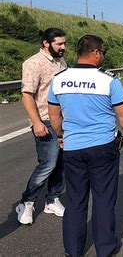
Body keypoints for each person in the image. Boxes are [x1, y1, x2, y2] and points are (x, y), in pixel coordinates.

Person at [48, 35, 123, 257]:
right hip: (102, 147)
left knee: (75, 200)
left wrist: (61, 135)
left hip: (73, 148)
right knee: (103, 200)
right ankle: (105, 249)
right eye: (103, 52)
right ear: (96, 53)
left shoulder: (59, 79)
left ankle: (73, 250)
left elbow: (54, 115)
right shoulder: (108, 80)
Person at [16, 28, 67, 225]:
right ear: (46, 43)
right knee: (48, 163)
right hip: (45, 120)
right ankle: (27, 201)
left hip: (62, 120)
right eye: (59, 44)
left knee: (61, 163)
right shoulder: (33, 63)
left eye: (64, 43)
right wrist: (36, 122)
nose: (63, 47)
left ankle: (52, 200)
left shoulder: (61, 61)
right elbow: (27, 95)